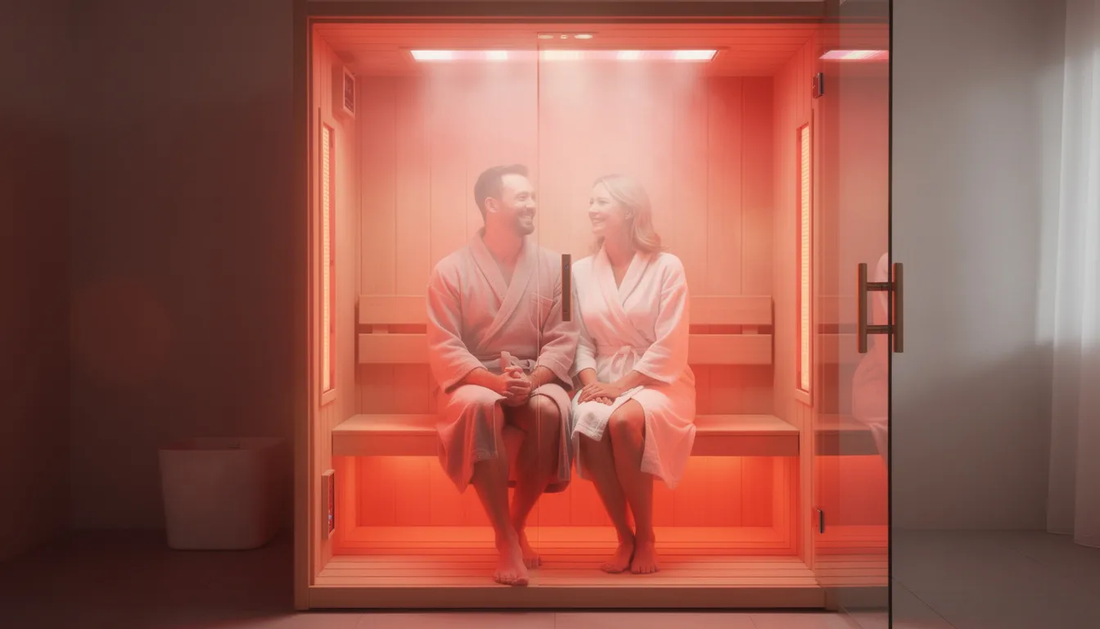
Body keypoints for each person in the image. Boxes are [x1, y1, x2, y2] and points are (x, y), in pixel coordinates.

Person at [425, 164, 579, 587]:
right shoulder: (449, 270)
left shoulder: (561, 267)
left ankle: (515, 524)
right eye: (522, 197)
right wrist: (493, 382)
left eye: (533, 197)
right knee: (480, 409)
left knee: (550, 412)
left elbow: (565, 336)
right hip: (475, 380)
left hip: (537, 377)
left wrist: (532, 381)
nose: (532, 205)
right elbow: (444, 345)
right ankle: (506, 538)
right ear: (491, 205)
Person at [568, 174, 696, 575]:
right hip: (601, 377)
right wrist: (594, 386)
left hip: (659, 380)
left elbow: (671, 344)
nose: (592, 209)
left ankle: (647, 536)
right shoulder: (580, 271)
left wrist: (619, 387)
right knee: (588, 419)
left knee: (623, 422)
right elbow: (579, 341)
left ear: (628, 211)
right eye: (590, 201)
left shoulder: (666, 266)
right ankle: (624, 536)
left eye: (602, 202)